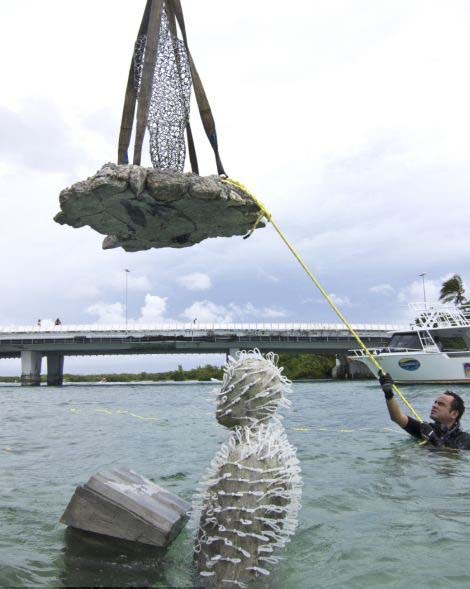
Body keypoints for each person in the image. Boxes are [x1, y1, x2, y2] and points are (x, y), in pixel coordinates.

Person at [379, 371, 470, 449]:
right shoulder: (425, 430)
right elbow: (397, 417)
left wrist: (434, 440)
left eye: (441, 404)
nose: (434, 405)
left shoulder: (465, 439)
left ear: (454, 414)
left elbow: (454, 457)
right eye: (435, 402)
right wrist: (388, 394)